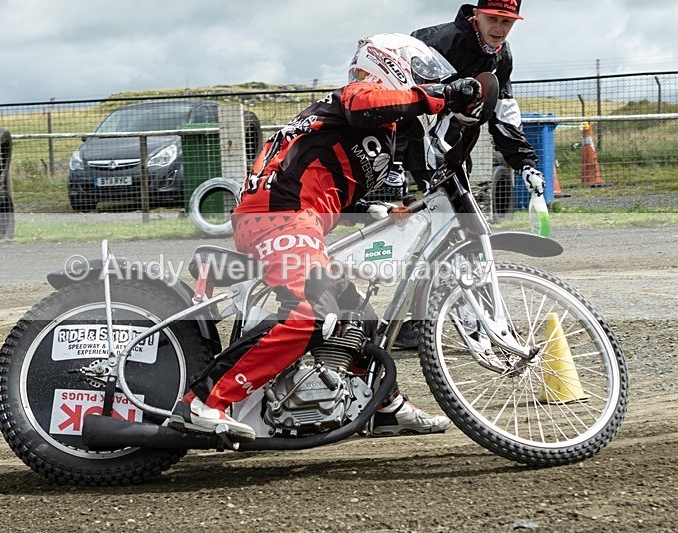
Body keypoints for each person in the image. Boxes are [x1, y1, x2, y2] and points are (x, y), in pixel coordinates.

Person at [168, 34, 484, 443]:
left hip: (293, 217)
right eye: (417, 73)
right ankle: (207, 401)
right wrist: (437, 96)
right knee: (310, 314)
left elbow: (323, 178)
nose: (420, 82)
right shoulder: (359, 94)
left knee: (356, 313)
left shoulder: (378, 126)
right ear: (391, 65)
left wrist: (371, 209)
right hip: (278, 217)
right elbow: (361, 106)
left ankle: (383, 404)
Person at [392, 0, 547, 349]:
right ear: (476, 15)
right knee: (463, 234)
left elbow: (503, 114)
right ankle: (479, 325)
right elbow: (402, 104)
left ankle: (412, 325)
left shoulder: (501, 55)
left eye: (508, 22)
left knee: (448, 235)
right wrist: (397, 167)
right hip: (416, 148)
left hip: (453, 152)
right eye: (493, 19)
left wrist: (525, 163)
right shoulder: (438, 42)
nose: (500, 29)